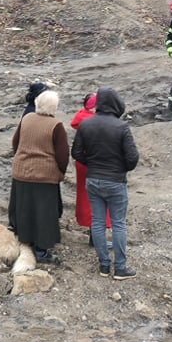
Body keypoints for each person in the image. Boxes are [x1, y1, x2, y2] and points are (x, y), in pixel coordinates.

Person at [71, 87, 139, 280]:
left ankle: (103, 265)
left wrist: (92, 164)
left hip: (93, 180)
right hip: (115, 180)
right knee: (118, 223)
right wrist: (121, 168)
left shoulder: (86, 125)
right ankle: (120, 268)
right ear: (116, 103)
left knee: (98, 222)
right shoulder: (122, 127)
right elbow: (133, 158)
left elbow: (76, 153)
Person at [8, 89, 68, 264]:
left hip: (21, 171)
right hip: (44, 175)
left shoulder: (26, 119)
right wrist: (59, 172)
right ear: (54, 107)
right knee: (44, 213)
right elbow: (62, 155)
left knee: (24, 208)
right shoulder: (56, 125)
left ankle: (24, 239)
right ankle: (41, 251)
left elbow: (15, 142)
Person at [70, 93, 111, 241]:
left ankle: (93, 233)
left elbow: (76, 151)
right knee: (100, 199)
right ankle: (97, 237)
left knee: (86, 198)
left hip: (83, 164)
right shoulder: (97, 123)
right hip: (97, 165)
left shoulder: (81, 118)